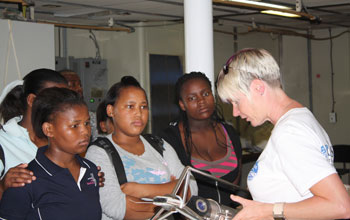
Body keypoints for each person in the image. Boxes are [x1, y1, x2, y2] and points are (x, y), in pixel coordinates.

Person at [216, 48, 350, 220]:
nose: (235, 112)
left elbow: (340, 206)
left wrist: (266, 211)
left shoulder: (290, 132)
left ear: (258, 88)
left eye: (236, 101)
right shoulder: (299, 118)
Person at [85, 76, 197, 220]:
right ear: (111, 111)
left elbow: (191, 187)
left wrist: (139, 189)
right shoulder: (99, 152)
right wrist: (172, 192)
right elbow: (118, 208)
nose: (138, 114)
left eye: (143, 107)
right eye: (130, 107)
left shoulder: (159, 145)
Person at [0, 69, 104, 200]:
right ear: (32, 100)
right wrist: (3, 186)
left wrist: (87, 180)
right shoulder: (4, 142)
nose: (64, 106)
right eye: (55, 99)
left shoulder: (64, 139)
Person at [159, 71, 243, 208]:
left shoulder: (230, 133)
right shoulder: (170, 139)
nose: (201, 101)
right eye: (192, 98)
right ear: (182, 104)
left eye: (205, 94)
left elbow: (235, 187)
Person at [59, 69, 98, 141]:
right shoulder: (54, 118)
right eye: (73, 85)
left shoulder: (92, 117)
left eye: (80, 85)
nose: (79, 89)